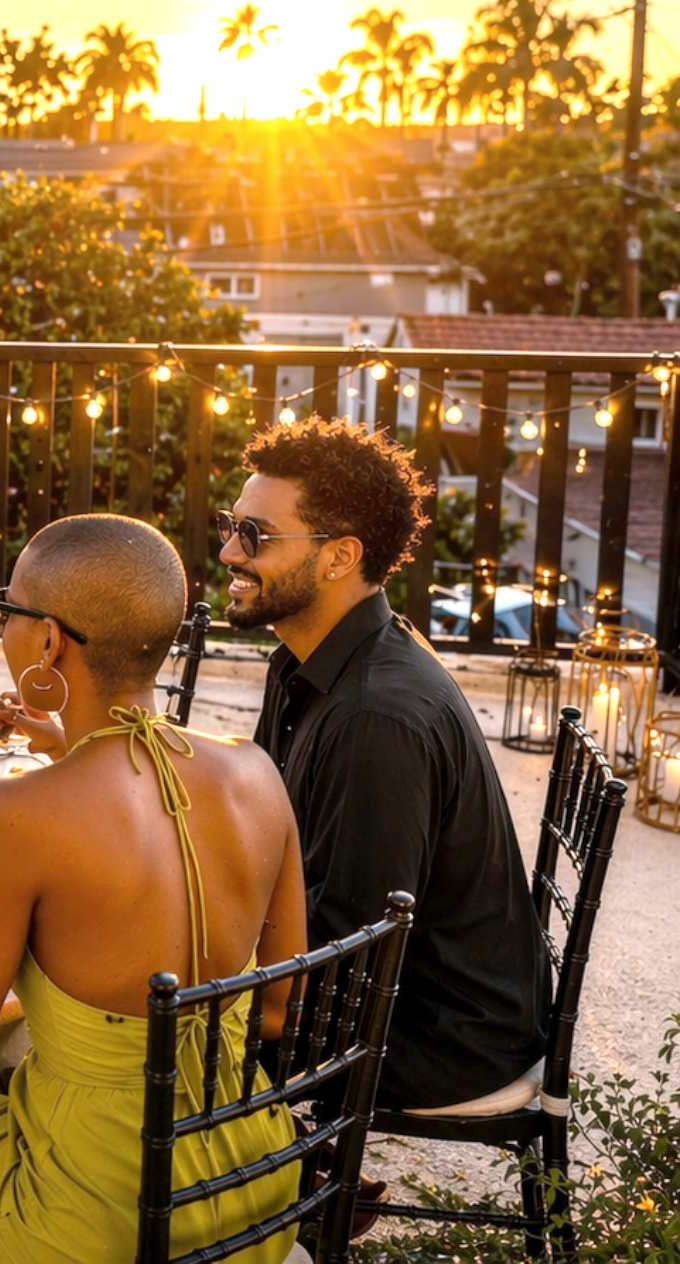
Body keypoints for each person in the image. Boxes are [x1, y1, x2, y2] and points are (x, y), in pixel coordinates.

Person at [0, 514, 306, 1264]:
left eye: (9, 612)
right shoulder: (256, 772)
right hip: (254, 1189)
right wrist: (64, 741)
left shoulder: (15, 814)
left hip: (98, 1223)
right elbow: (277, 1010)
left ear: (48, 641)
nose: (3, 627)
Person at [225, 415, 549, 1113]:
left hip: (435, 1038)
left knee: (117, 1007)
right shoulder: (307, 662)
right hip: (380, 989)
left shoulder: (377, 718)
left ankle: (235, 1189)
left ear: (340, 557)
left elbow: (343, 964)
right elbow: (260, 832)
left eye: (254, 534)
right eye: (231, 524)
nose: (227, 551)